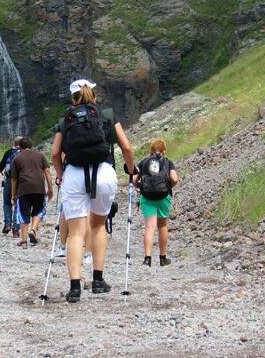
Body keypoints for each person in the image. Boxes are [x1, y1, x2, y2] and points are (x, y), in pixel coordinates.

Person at [52, 79, 135, 303]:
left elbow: (55, 153)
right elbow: (126, 146)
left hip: (74, 174)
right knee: (98, 225)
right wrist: (131, 169)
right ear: (94, 96)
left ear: (72, 98)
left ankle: (75, 287)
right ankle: (98, 281)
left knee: (76, 233)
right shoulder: (106, 114)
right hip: (104, 172)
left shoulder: (65, 119)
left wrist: (60, 174)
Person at [133, 139, 180, 267]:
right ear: (164, 151)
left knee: (149, 227)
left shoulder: (143, 162)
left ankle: (147, 259)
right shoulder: (168, 162)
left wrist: (138, 185)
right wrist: (169, 185)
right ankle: (163, 258)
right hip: (163, 196)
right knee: (162, 226)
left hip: (147, 197)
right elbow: (175, 178)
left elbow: (134, 179)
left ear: (151, 151)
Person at [11, 138, 54, 247]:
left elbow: (14, 179)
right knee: (39, 210)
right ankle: (33, 229)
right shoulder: (40, 156)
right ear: (32, 145)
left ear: (19, 147)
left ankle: (24, 241)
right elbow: (47, 173)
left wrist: (13, 194)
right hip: (39, 188)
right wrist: (50, 189)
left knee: (23, 213)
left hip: (24, 189)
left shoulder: (17, 158)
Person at [0, 137, 23, 236]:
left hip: (9, 180)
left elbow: (0, 168)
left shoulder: (8, 152)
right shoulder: (24, 153)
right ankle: (16, 229)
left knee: (7, 202)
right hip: (21, 181)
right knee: (18, 203)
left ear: (14, 143)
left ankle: (7, 224)